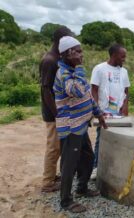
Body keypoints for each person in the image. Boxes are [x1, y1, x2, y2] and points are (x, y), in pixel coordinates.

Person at [53, 36, 107, 213]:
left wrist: (98, 113)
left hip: (81, 124)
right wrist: (81, 69)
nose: (81, 55)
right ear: (68, 53)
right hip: (70, 126)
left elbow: (87, 96)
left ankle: (82, 188)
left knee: (88, 157)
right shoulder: (64, 73)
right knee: (69, 163)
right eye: (78, 51)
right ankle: (66, 201)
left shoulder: (74, 70)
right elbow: (76, 91)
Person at [39, 26, 72, 193]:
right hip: (53, 112)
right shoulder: (49, 60)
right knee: (53, 146)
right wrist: (57, 113)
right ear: (61, 40)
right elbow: (46, 89)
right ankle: (47, 183)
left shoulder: (56, 58)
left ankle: (52, 176)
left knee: (59, 145)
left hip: (58, 111)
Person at [90, 44, 130, 179]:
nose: (124, 59)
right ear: (114, 55)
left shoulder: (123, 72)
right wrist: (96, 109)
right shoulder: (100, 69)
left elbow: (126, 91)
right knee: (101, 138)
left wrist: (125, 107)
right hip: (104, 111)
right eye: (122, 56)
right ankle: (96, 167)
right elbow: (94, 90)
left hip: (118, 112)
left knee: (118, 137)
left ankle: (115, 166)